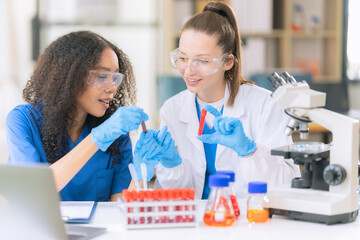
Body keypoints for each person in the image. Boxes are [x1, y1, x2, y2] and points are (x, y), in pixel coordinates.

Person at [134, 1, 300, 199]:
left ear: (228, 61)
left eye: (202, 61)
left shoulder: (265, 105)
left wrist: (248, 151)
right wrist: (171, 164)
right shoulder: (172, 109)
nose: (189, 70)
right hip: (194, 223)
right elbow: (171, 197)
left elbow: (287, 183)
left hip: (247, 222)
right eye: (183, 58)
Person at [6, 31, 148, 201]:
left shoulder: (116, 132)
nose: (112, 88)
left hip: (100, 228)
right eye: (102, 76)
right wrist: (96, 139)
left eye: (115, 77)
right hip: (41, 227)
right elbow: (33, 191)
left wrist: (142, 173)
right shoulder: (23, 120)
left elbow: (120, 206)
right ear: (70, 76)